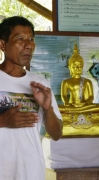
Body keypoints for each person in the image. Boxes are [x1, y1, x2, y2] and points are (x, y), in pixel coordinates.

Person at [0, 16, 63, 180]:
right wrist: (3, 121)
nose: (29, 45)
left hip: (31, 172)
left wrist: (48, 109)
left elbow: (56, 134)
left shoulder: (40, 83)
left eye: (31, 39)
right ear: (2, 45)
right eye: (20, 39)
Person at [58, 43, 99, 113]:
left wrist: (87, 103)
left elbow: (91, 96)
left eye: (80, 66)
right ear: (70, 68)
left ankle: (79, 110)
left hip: (84, 105)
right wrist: (66, 103)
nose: (78, 68)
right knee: (58, 108)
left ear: (82, 67)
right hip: (71, 105)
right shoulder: (66, 82)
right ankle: (79, 110)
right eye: (75, 66)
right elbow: (63, 95)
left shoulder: (87, 81)